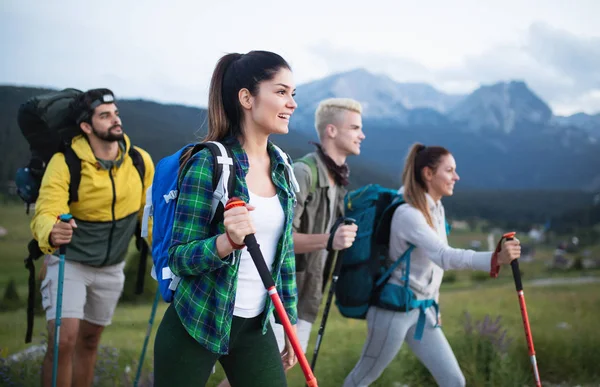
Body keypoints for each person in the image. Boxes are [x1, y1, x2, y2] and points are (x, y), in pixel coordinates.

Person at [153, 51, 300, 387]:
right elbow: (178, 258)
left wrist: (288, 324)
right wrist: (226, 242)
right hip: (197, 320)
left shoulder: (283, 165)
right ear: (246, 98)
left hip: (254, 328)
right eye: (281, 92)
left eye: (293, 94)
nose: (291, 102)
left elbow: (285, 255)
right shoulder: (209, 162)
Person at [343, 143, 521, 387]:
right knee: (362, 378)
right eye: (449, 170)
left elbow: (431, 268)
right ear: (428, 173)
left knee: (454, 381)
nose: (456, 177)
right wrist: (495, 258)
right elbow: (444, 257)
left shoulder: (436, 209)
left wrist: (434, 305)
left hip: (422, 311)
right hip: (393, 310)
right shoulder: (409, 214)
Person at [31, 88, 154, 387]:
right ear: (86, 126)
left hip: (112, 267)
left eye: (116, 113)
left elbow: (148, 213)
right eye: (105, 116)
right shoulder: (66, 162)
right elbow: (47, 209)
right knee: (63, 340)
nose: (115, 120)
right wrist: (51, 230)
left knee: (89, 341)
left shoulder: (139, 161)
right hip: (69, 263)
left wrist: (162, 240)